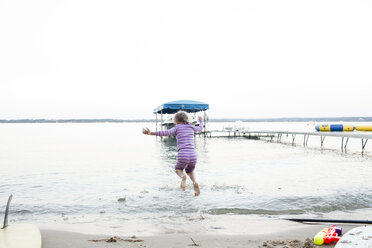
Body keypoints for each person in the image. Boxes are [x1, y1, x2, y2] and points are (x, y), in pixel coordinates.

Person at [142, 111, 203, 196]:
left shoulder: (177, 128)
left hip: (183, 154)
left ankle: (183, 177)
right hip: (193, 155)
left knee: (178, 169)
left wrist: (150, 133)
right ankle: (194, 182)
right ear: (187, 119)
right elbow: (200, 128)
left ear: (176, 120)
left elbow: (165, 133)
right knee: (190, 171)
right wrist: (201, 121)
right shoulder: (191, 127)